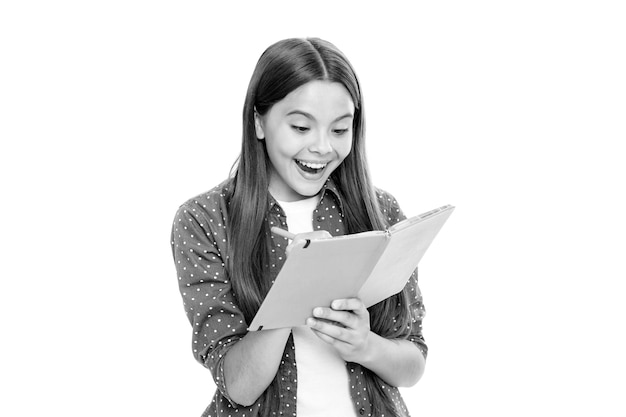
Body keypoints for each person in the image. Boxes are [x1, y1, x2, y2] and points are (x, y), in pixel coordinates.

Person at [171, 37, 427, 417]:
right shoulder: (205, 220)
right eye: (301, 127)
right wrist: (299, 285)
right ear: (259, 121)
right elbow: (239, 386)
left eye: (340, 130)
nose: (322, 147)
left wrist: (365, 345)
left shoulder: (379, 211)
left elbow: (414, 362)